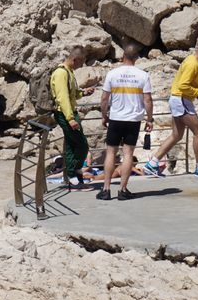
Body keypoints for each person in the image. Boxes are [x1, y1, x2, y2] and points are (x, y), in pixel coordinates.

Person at [145, 40, 198, 177]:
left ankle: (152, 163)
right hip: (181, 100)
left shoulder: (190, 60)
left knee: (177, 135)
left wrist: (196, 88)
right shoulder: (193, 64)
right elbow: (184, 86)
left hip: (178, 99)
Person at [98, 44, 153, 201]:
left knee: (110, 152)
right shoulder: (143, 75)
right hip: (133, 120)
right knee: (128, 154)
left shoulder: (112, 74)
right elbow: (147, 100)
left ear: (123, 56)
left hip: (115, 118)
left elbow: (104, 98)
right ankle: (122, 190)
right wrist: (149, 119)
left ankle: (106, 189)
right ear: (136, 58)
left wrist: (104, 115)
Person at [51, 46, 95, 189]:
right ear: (75, 60)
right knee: (82, 145)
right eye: (81, 63)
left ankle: (74, 177)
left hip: (70, 113)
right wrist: (70, 119)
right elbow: (62, 97)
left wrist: (83, 93)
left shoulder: (69, 72)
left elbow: (72, 94)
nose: (81, 66)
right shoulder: (61, 74)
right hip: (65, 114)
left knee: (71, 145)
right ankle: (73, 172)